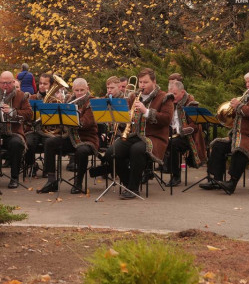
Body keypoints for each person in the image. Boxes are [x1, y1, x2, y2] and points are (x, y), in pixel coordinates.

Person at [199, 70, 249, 195]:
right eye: (246, 82)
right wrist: (233, 109)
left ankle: (231, 183)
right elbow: (241, 114)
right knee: (219, 146)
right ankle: (216, 179)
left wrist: (239, 105)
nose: (247, 85)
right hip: (245, 136)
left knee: (240, 149)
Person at [102, 68, 174, 199]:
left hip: (154, 137)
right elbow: (125, 121)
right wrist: (121, 117)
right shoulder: (133, 96)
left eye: (145, 82)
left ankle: (133, 188)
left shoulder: (164, 97)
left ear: (154, 81)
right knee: (111, 153)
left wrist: (146, 111)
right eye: (140, 82)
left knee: (137, 149)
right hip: (134, 135)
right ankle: (130, 182)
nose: (142, 85)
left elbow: (166, 119)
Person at [37, 78, 99, 194]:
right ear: (73, 90)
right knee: (50, 143)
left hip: (87, 138)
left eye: (82, 90)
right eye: (77, 90)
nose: (79, 93)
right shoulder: (69, 100)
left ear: (87, 89)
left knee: (82, 151)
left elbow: (87, 122)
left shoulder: (92, 102)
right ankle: (51, 181)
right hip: (70, 137)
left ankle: (78, 182)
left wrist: (74, 117)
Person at [0, 71, 32, 189]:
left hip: (14, 132)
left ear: (13, 82)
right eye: (3, 83)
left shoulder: (22, 96)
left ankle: (14, 177)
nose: (5, 86)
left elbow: (29, 114)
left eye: (9, 83)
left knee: (16, 144)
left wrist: (12, 112)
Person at [163, 80, 207, 187]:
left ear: (182, 92)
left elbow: (195, 126)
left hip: (188, 137)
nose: (172, 97)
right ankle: (149, 173)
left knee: (173, 144)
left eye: (175, 94)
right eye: (170, 94)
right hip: (170, 133)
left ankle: (176, 176)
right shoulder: (168, 103)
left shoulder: (191, 104)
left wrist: (180, 131)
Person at [24, 73, 54, 176]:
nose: (42, 85)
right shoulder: (32, 98)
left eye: (45, 84)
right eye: (40, 83)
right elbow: (26, 116)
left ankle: (48, 169)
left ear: (51, 86)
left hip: (48, 130)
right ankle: (32, 165)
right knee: (28, 142)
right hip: (33, 129)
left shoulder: (54, 100)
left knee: (49, 142)